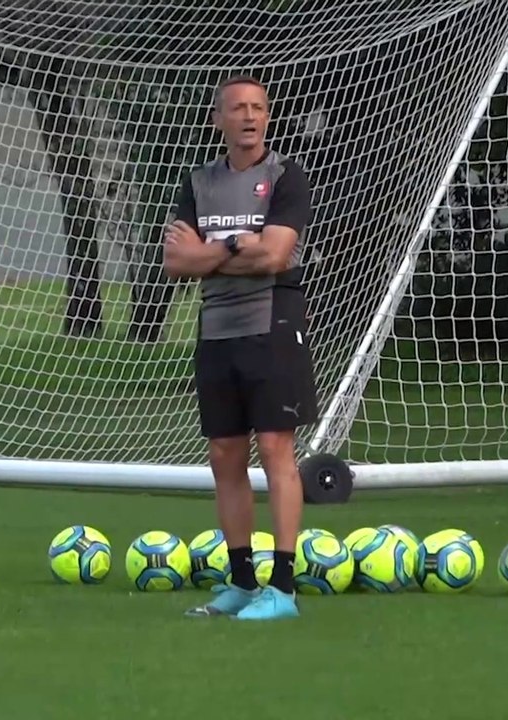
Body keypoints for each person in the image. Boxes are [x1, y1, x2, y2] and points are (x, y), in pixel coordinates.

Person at [162, 74, 317, 621]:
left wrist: (209, 250)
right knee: (224, 455)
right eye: (237, 109)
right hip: (216, 329)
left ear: (268, 117)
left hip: (272, 323)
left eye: (258, 108)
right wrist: (233, 244)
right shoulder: (198, 182)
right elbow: (176, 263)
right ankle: (243, 582)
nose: (249, 117)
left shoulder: (285, 177)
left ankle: (284, 587)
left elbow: (274, 257)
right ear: (218, 119)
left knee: (276, 448)